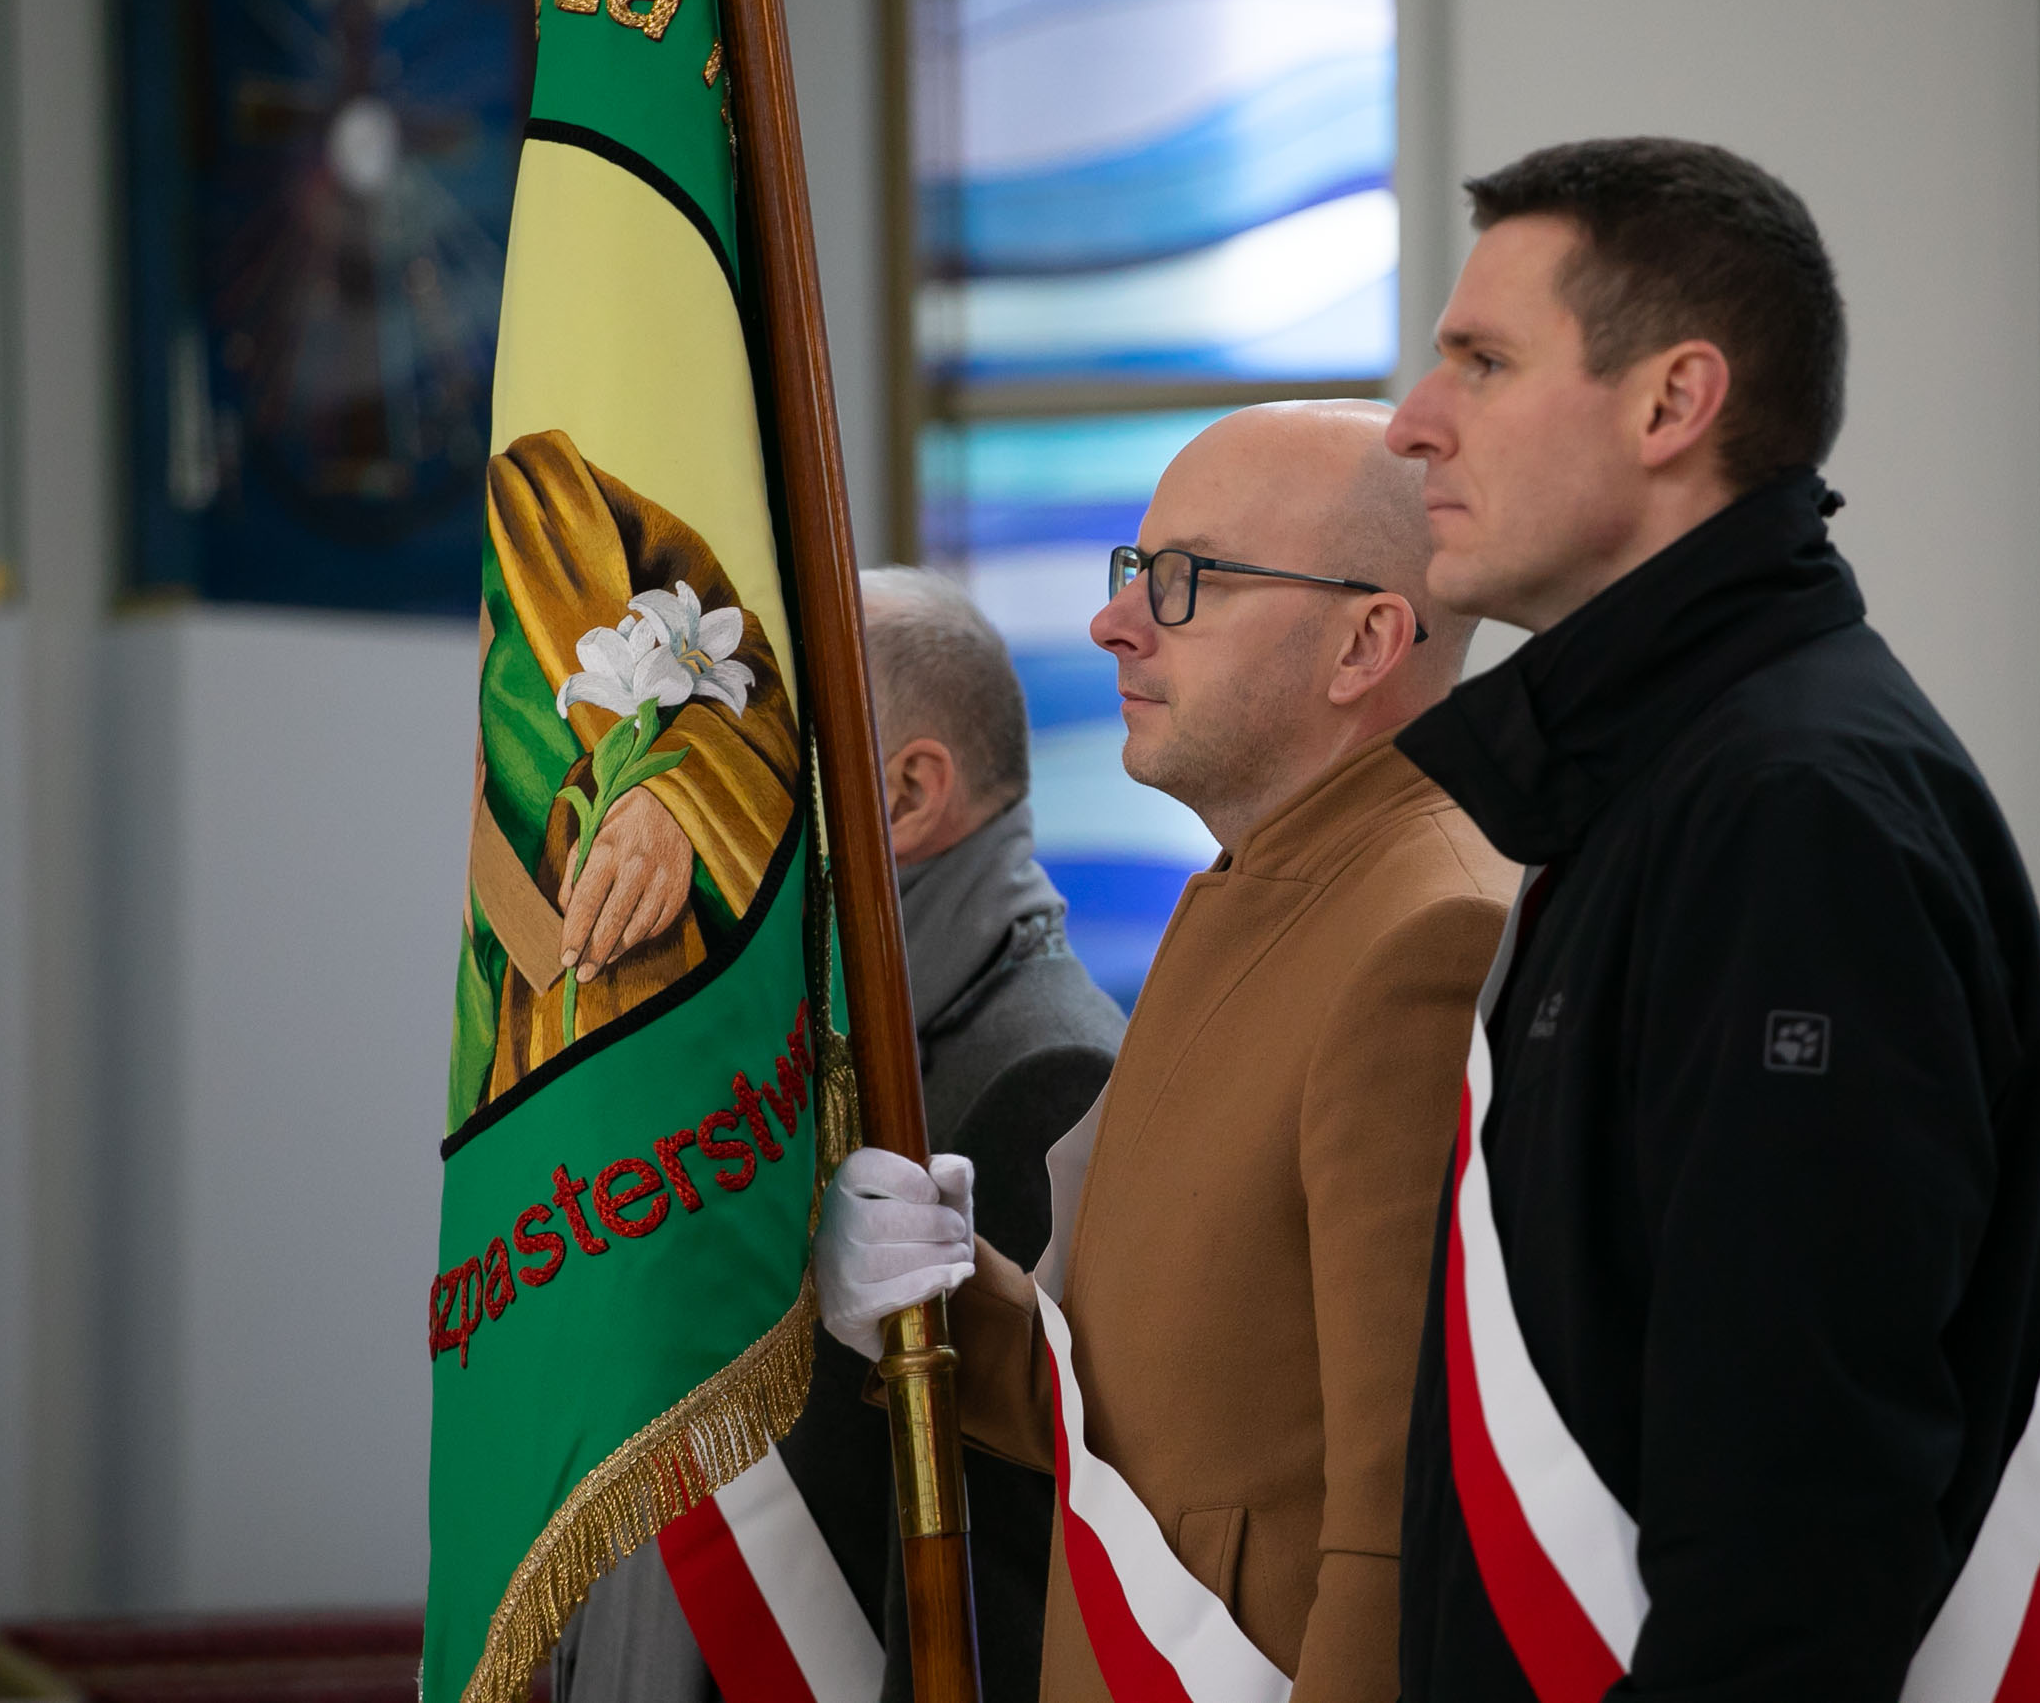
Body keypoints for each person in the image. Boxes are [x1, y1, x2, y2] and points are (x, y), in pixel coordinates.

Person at [1381, 136, 2040, 1703]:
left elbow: (1795, 1525)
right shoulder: (1651, 781)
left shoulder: (1789, 812)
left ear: (1669, 404)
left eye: (1481, 362)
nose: (1412, 422)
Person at [816, 402, 1519, 1703]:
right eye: (1133, 568)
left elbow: (1400, 1525)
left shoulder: (1423, 930)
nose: (1115, 621)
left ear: (1364, 641)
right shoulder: (1268, 886)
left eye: (1186, 579)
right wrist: (941, 1293)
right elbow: (1160, 1422)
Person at [555, 568, 1122, 1703]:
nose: (698, 808)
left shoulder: (1046, 1078)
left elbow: (999, 1597)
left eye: (758, 763)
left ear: (907, 794)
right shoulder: (804, 1057)